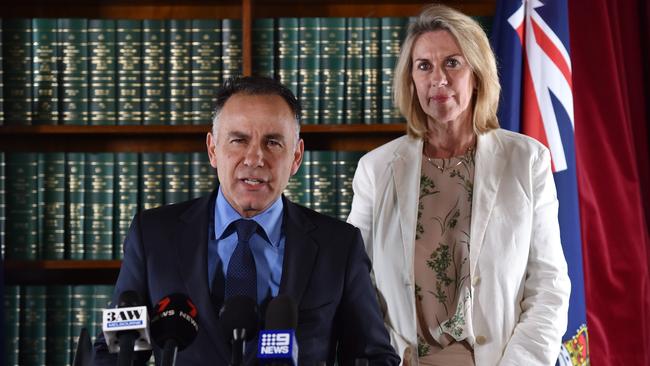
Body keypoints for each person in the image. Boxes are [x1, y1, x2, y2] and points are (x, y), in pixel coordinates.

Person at [93, 76, 399, 365]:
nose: (254, 158)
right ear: (213, 149)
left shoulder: (339, 246)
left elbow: (373, 357)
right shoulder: (153, 235)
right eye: (239, 140)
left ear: (296, 157)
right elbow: (115, 352)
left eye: (273, 142)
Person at [347, 5, 570, 366]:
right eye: (424, 66)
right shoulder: (376, 169)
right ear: (411, 80)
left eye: (452, 62)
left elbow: (549, 287)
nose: (438, 79)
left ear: (477, 74)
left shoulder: (527, 161)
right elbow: (356, 286)